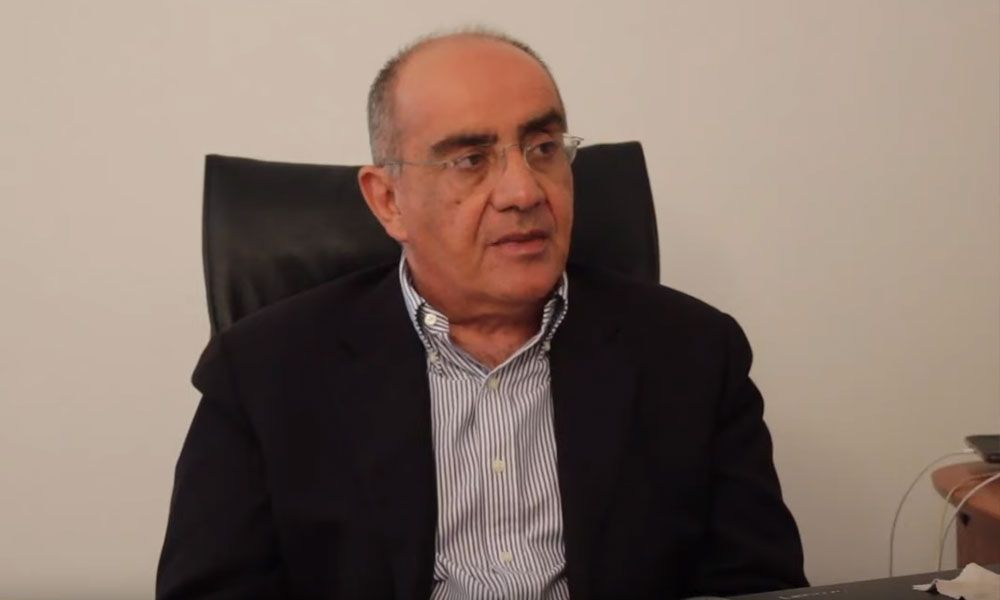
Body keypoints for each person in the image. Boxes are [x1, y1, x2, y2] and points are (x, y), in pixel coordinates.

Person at [157, 29, 807, 600]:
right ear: (388, 201)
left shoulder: (694, 353)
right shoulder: (262, 373)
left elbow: (758, 585)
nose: (524, 192)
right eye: (470, 160)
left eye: (543, 147)